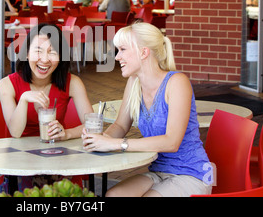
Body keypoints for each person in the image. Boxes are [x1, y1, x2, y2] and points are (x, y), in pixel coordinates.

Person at [82, 22, 212, 197]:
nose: (117, 57)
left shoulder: (177, 83)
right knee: (113, 195)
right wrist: (100, 140)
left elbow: (171, 142)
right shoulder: (134, 82)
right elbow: (121, 126)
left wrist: (116, 144)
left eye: (122, 49)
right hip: (159, 172)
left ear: (144, 52)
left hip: (192, 173)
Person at [0, 23, 93, 140]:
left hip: (57, 151)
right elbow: (15, 132)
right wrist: (23, 100)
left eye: (52, 52)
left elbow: (92, 125)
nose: (44, 59)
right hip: (19, 153)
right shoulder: (6, 85)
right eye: (38, 51)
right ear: (26, 54)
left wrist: (67, 134)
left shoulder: (73, 82)